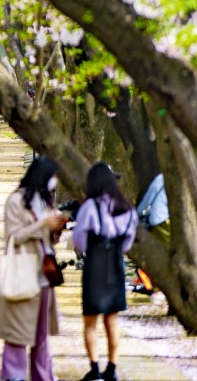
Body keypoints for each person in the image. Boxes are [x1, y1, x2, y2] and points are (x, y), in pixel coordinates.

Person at [0, 156, 68, 381]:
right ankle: (13, 375)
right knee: (17, 329)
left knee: (41, 333)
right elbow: (13, 236)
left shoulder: (46, 201)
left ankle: (43, 375)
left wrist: (57, 229)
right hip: (23, 271)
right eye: (53, 176)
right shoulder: (16, 201)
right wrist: (41, 225)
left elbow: (49, 238)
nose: (55, 181)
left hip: (45, 272)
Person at [72, 162, 139, 381]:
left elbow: (79, 239)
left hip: (95, 265)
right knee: (112, 320)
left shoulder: (90, 207)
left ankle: (95, 369)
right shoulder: (127, 208)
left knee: (90, 321)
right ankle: (112, 368)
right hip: (115, 265)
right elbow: (127, 243)